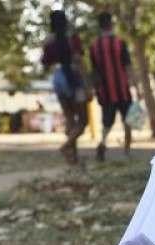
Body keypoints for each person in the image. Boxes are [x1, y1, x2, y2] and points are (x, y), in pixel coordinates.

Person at [41, 9, 88, 165]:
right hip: (73, 77)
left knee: (70, 120)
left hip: (58, 78)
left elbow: (44, 64)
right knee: (82, 121)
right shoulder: (72, 38)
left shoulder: (48, 41)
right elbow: (79, 60)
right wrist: (87, 84)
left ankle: (72, 158)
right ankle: (66, 146)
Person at [89, 12, 136, 161]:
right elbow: (128, 67)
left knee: (107, 123)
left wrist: (95, 90)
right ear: (111, 23)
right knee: (128, 121)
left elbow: (94, 72)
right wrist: (137, 87)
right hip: (122, 90)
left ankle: (102, 144)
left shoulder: (94, 46)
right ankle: (127, 152)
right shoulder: (120, 43)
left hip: (105, 91)